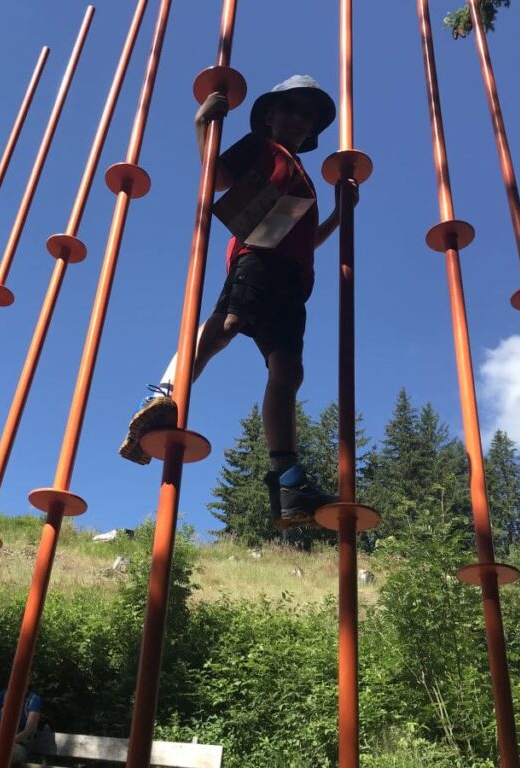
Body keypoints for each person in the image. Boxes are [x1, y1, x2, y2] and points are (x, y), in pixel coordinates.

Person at [119, 75, 356, 525]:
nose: (299, 120)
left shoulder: (301, 175)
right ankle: (160, 397)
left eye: (307, 116)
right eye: (290, 109)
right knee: (225, 325)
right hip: (258, 261)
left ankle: (289, 483)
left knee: (288, 371)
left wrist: (340, 218)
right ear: (270, 115)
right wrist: (202, 126)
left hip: (293, 281)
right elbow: (218, 177)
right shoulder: (262, 148)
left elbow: (301, 239)